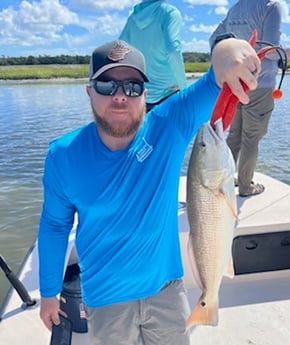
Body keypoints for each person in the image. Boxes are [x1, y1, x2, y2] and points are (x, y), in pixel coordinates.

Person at [38, 38, 260, 344]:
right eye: (106, 85)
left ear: (145, 93)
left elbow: (216, 80)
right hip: (105, 298)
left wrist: (229, 51)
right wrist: (49, 293)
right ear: (89, 91)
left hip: (166, 290)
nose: (120, 97)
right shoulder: (62, 154)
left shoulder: (168, 126)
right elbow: (54, 225)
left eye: (132, 86)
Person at [209, 0, 290, 197]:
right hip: (260, 86)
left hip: (235, 86)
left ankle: (225, 182)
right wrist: (287, 52)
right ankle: (246, 186)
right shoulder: (272, 6)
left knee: (234, 137)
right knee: (251, 139)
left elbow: (214, 40)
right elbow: (271, 51)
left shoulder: (235, 8)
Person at [119, 0, 187, 111]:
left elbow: (119, 50)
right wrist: (184, 89)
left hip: (140, 95)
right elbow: (173, 50)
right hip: (169, 92)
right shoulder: (170, 13)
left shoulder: (133, 19)